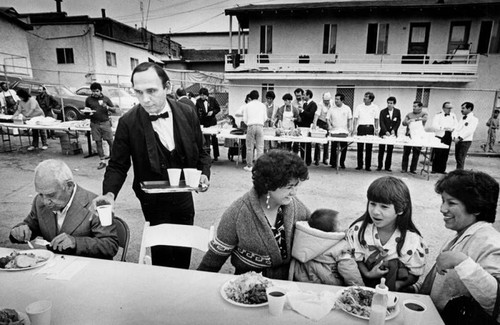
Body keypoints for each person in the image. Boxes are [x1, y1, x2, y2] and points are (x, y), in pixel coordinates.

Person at [97, 62, 211, 268]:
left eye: (151, 91)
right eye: (138, 93)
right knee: (162, 255)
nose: (145, 99)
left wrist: (204, 173)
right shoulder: (128, 122)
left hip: (184, 194)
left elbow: (202, 150)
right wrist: (109, 194)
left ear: (167, 87)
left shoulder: (188, 112)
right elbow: (117, 165)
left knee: (183, 249)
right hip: (153, 200)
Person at [197, 150, 310, 280]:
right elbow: (214, 259)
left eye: (296, 187)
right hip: (250, 288)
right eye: (289, 187)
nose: (294, 193)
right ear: (269, 184)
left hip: (289, 286)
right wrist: (198, 285)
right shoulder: (238, 213)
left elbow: (320, 235)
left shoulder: (296, 207)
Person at [419, 170, 500, 323]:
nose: (442, 209)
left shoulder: (491, 242)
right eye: (443, 201)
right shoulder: (462, 233)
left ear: (476, 207)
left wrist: (461, 261)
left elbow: (495, 301)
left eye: (451, 203)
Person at [9, 159, 119, 259]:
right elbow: (31, 225)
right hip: (54, 266)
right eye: (41, 194)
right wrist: (19, 231)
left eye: (51, 195)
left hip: (89, 270)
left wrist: (76, 243)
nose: (45, 201)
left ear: (69, 186)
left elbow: (110, 245)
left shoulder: (96, 204)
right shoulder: (39, 201)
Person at [347, 176, 427, 292]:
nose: (375, 211)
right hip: (361, 286)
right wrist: (369, 274)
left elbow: (414, 274)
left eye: (384, 206)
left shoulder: (412, 241)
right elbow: (355, 260)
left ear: (400, 209)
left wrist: (396, 286)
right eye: (372, 203)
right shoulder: (359, 230)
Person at [290, 209, 364, 286]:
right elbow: (349, 270)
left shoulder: (305, 240)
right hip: (329, 284)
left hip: (303, 281)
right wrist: (360, 288)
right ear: (334, 229)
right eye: (340, 223)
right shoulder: (341, 246)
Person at [84, 82, 116, 170]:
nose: (95, 93)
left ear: (100, 91)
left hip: (105, 122)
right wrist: (87, 113)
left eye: (97, 91)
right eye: (93, 91)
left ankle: (114, 161)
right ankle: (102, 162)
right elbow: (86, 111)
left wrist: (108, 107)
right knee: (98, 142)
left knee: (111, 142)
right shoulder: (88, 99)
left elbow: (115, 110)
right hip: (94, 123)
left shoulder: (105, 99)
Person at [353, 91, 379, 171]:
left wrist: (376, 129)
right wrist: (354, 129)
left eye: (367, 97)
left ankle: (368, 166)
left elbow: (376, 119)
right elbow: (356, 118)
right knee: (360, 147)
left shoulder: (375, 107)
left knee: (369, 148)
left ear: (371, 99)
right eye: (365, 96)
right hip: (361, 127)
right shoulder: (359, 107)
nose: (364, 98)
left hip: (370, 128)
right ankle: (359, 165)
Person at [242, 90, 267, 172]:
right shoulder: (262, 105)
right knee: (260, 147)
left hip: (251, 125)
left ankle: (249, 165)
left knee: (249, 147)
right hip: (260, 126)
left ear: (250, 97)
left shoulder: (247, 106)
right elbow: (265, 118)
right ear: (258, 96)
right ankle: (260, 166)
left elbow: (245, 119)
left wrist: (250, 123)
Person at [401, 101, 428, 174]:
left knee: (416, 153)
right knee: (406, 153)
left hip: (418, 136)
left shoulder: (424, 114)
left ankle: (413, 169)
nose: (414, 108)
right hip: (409, 136)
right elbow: (403, 123)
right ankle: (404, 168)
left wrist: (416, 119)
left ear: (420, 107)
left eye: (415, 106)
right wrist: (408, 121)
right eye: (413, 106)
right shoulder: (409, 114)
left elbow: (425, 119)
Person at [431, 102, 458, 174]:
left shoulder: (453, 115)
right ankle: (434, 169)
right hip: (440, 134)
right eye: (448, 108)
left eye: (450, 108)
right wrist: (444, 128)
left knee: (445, 153)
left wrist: (452, 129)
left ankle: (442, 169)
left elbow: (456, 125)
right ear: (443, 108)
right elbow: (434, 125)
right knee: (437, 152)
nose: (449, 110)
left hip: (448, 135)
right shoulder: (438, 115)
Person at [327, 93, 352, 169]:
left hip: (344, 131)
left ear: (342, 100)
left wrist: (350, 127)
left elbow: (350, 119)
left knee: (344, 148)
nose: (336, 101)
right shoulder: (331, 108)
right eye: (335, 99)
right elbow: (327, 118)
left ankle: (342, 162)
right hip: (334, 131)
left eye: (338, 99)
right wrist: (329, 125)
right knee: (334, 147)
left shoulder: (347, 108)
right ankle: (333, 163)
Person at [196, 87, 221, 161]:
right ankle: (207, 155)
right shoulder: (198, 101)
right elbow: (197, 111)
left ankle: (216, 155)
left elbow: (218, 108)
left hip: (212, 121)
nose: (202, 97)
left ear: (206, 95)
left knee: (214, 139)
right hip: (203, 121)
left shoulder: (212, 99)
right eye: (201, 95)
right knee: (206, 139)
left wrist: (213, 112)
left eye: (203, 95)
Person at [377, 97, 401, 172]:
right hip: (384, 133)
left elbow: (398, 122)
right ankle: (379, 166)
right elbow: (381, 122)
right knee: (381, 150)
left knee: (390, 151)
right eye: (388, 103)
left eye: (391, 103)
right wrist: (385, 131)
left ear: (394, 104)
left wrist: (394, 130)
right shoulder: (383, 112)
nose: (389, 105)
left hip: (392, 134)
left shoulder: (397, 111)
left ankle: (387, 167)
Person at [453, 101, 478, 170]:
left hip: (465, 141)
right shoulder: (462, 118)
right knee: (457, 157)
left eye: (463, 108)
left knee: (461, 158)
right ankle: (458, 172)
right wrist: (454, 137)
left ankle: (460, 174)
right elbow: (457, 128)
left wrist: (460, 138)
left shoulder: (474, 119)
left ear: (469, 108)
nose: (462, 110)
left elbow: (469, 131)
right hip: (458, 140)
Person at [297, 89, 317, 166]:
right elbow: (303, 115)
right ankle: (302, 159)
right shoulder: (305, 104)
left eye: (304, 94)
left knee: (308, 144)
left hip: (308, 126)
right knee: (302, 143)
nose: (303, 96)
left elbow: (311, 115)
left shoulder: (313, 104)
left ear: (308, 95)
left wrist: (302, 111)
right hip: (302, 126)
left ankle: (308, 160)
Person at [312, 92, 331, 166]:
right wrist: (314, 124)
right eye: (325, 101)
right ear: (323, 100)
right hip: (320, 122)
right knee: (318, 142)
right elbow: (316, 114)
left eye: (328, 100)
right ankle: (317, 159)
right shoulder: (320, 104)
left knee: (327, 142)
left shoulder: (331, 104)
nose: (327, 102)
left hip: (327, 123)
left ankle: (325, 158)